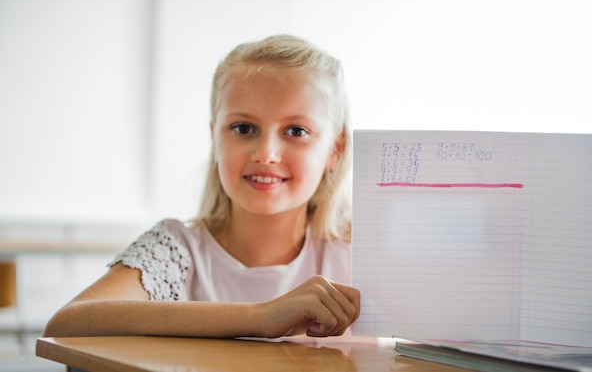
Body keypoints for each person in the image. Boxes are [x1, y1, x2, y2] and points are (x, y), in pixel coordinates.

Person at [43, 34, 360, 339]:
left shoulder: (360, 253)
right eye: (243, 128)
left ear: (334, 149)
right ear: (215, 138)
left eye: (295, 131)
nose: (266, 154)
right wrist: (261, 317)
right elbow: (66, 325)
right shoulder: (178, 250)